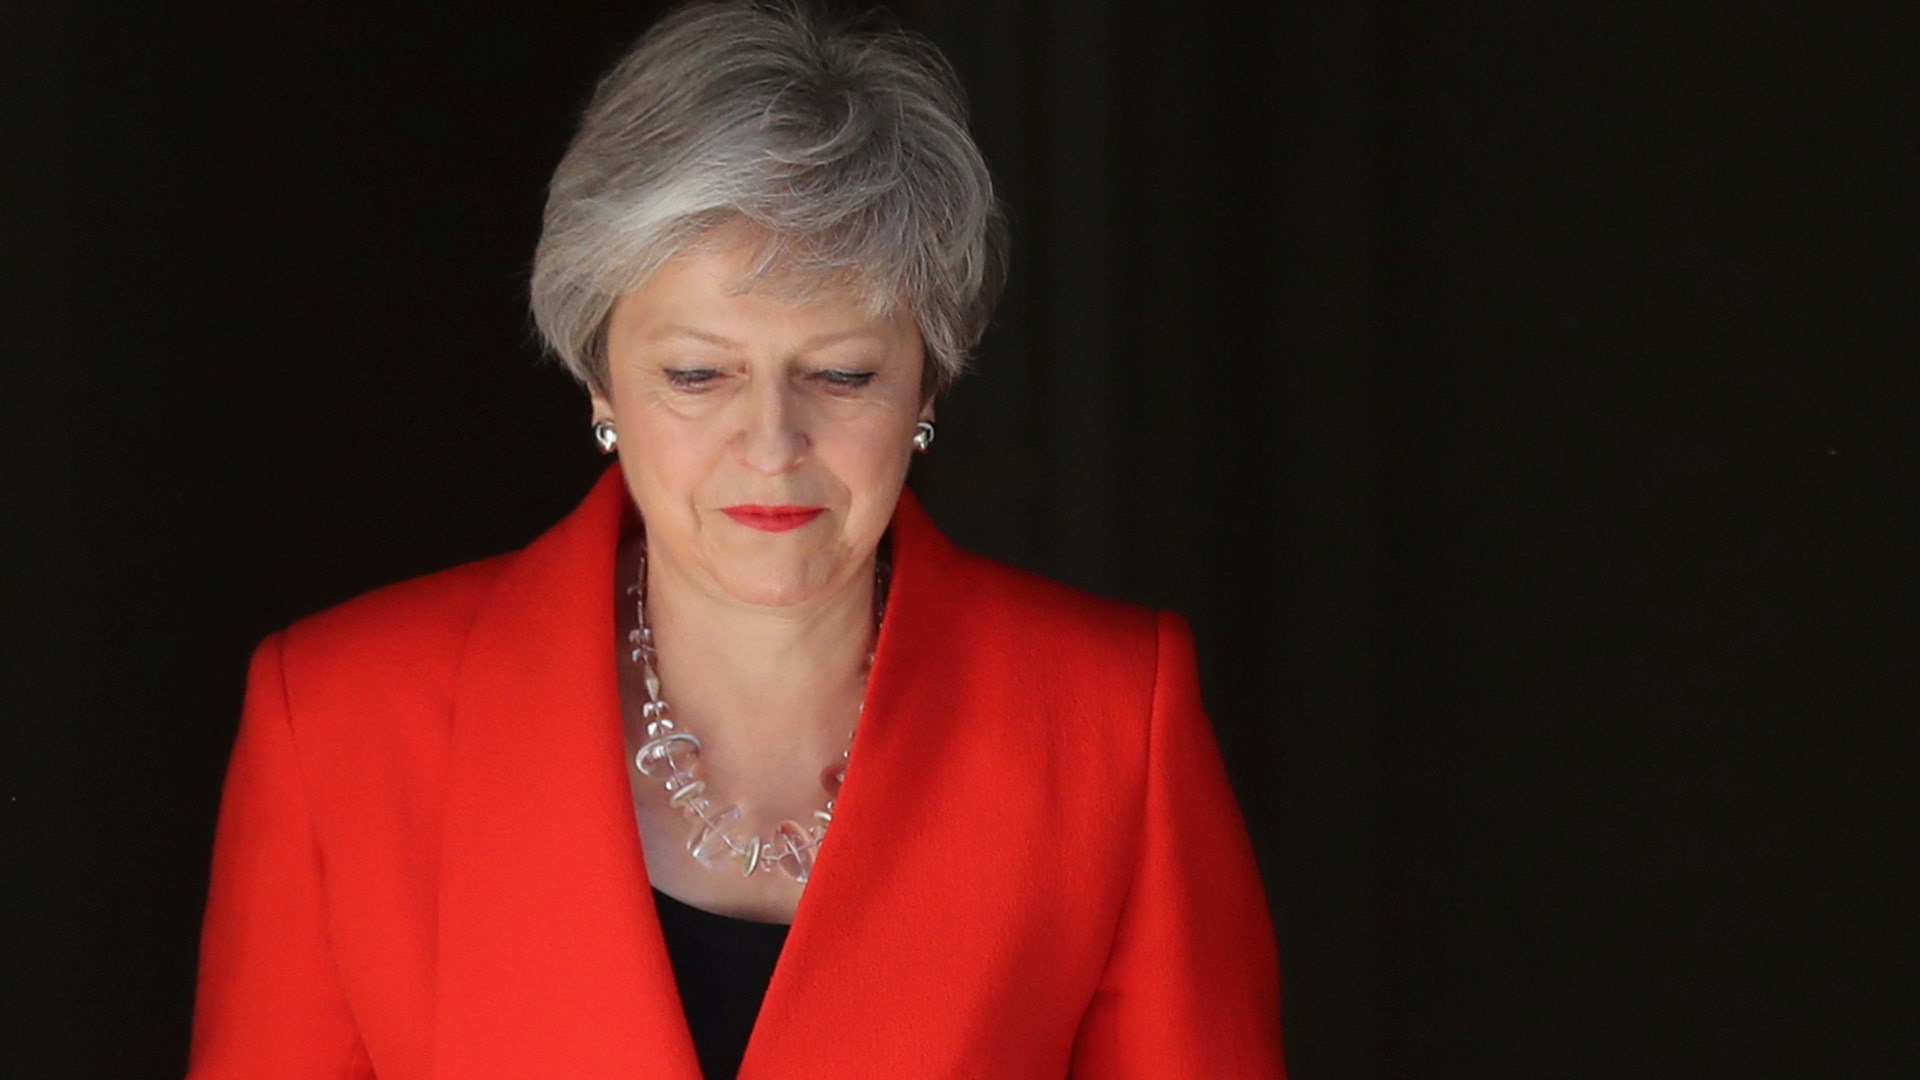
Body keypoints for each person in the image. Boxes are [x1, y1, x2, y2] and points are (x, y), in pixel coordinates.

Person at [186, 2, 1282, 1077]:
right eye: (698, 374)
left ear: (928, 379)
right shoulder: (337, 720)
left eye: (841, 373)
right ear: (597, 375)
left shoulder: (1107, 723)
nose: (771, 442)